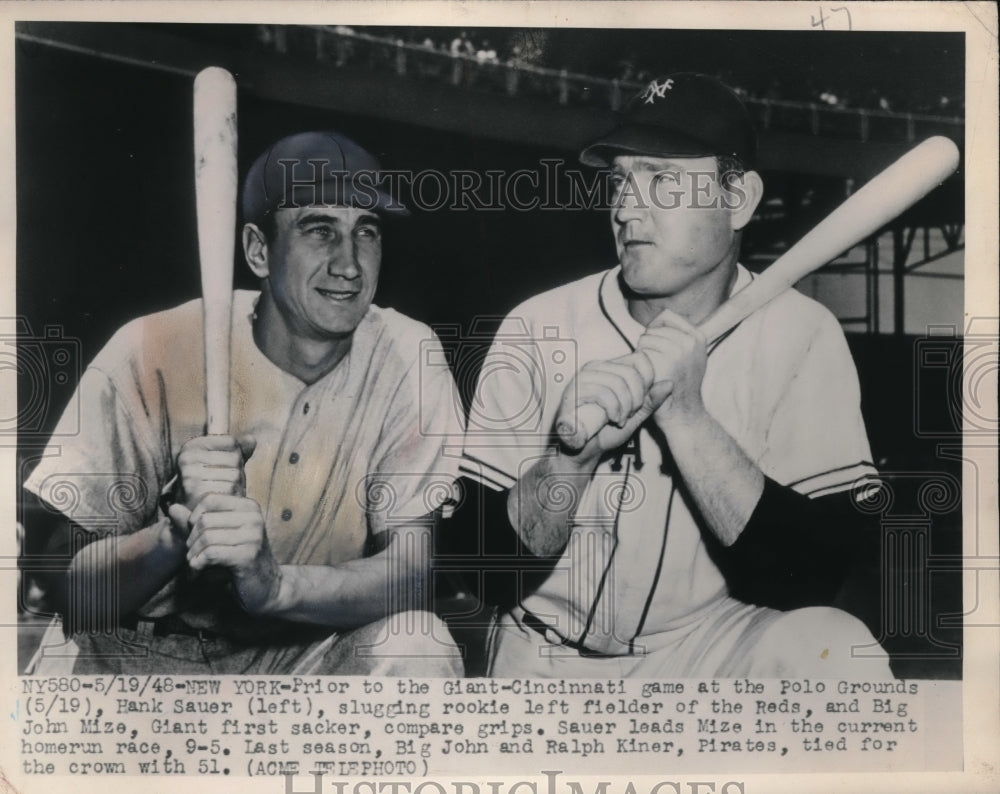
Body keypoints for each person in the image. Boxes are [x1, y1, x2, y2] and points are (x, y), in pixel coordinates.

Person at [460, 73, 894, 678]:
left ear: (737, 200)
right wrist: (568, 462)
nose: (625, 208)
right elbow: (480, 575)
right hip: (545, 652)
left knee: (835, 649)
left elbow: (815, 577)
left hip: (706, 650)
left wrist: (688, 419)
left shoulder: (803, 334)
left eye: (661, 180)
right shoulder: (539, 324)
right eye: (621, 181)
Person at [22, 131, 464, 676]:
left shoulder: (407, 353)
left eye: (365, 232)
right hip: (135, 652)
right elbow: (67, 594)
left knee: (417, 644)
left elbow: (412, 574)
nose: (349, 264)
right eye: (319, 230)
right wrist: (174, 531)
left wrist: (277, 587)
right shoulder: (148, 348)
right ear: (259, 249)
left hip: (297, 653)